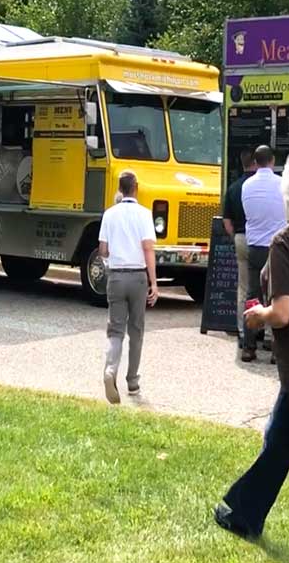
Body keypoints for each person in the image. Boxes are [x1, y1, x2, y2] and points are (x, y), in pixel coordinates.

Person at [214, 152, 289, 539]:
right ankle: (244, 510)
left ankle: (243, 513)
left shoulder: (286, 243)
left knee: (277, 444)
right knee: (278, 441)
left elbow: (283, 311)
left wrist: (257, 316)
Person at [99, 170, 158, 404]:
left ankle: (110, 369)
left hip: (116, 277)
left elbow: (103, 249)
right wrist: (154, 282)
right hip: (137, 277)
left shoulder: (109, 214)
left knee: (115, 330)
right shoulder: (144, 214)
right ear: (135, 187)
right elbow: (148, 249)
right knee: (136, 331)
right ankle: (132, 381)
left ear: (119, 188)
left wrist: (115, 252)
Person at [240, 145, 286, 362]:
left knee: (252, 296)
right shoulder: (281, 185)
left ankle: (249, 346)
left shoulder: (246, 186)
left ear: (255, 162)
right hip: (276, 248)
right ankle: (276, 348)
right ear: (272, 160)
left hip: (255, 247)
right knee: (277, 296)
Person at [222, 148, 257, 349]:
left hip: (242, 238)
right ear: (256, 163)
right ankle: (268, 333)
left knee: (243, 288)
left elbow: (227, 222)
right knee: (267, 286)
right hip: (265, 240)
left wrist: (235, 236)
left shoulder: (234, 188)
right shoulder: (268, 186)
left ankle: (243, 331)